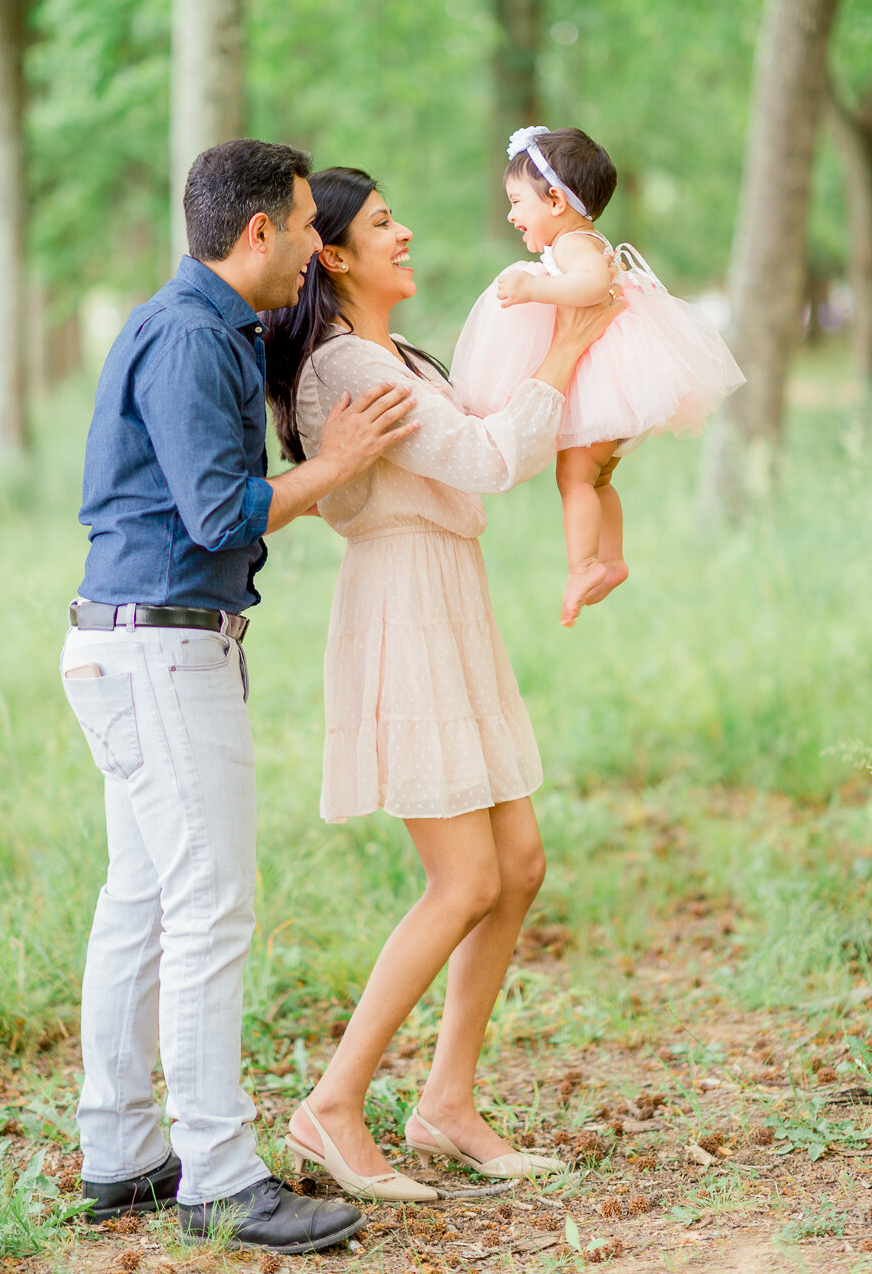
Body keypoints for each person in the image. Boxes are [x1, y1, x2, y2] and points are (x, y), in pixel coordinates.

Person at [60, 139, 421, 1255]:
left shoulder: (209, 326)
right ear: (257, 231)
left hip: (135, 647)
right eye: (310, 224)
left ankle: (120, 1150)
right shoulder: (186, 338)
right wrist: (338, 458)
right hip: (162, 654)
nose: (320, 243)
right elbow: (222, 516)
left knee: (146, 897)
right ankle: (218, 1173)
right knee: (209, 906)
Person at [263, 166, 622, 1202]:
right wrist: (570, 343)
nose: (405, 232)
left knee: (518, 864)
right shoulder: (341, 363)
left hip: (447, 595)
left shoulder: (396, 352)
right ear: (331, 254)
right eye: (384, 225)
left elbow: (501, 434)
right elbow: (483, 456)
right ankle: (331, 1104)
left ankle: (447, 1103)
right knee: (464, 876)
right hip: (403, 608)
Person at [449, 125, 746, 627]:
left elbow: (588, 287)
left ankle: (585, 565)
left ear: (557, 202)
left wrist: (532, 289)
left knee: (574, 476)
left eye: (518, 202)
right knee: (599, 476)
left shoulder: (574, 248)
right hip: (616, 384)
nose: (511, 214)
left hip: (605, 383)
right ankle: (611, 560)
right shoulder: (580, 240)